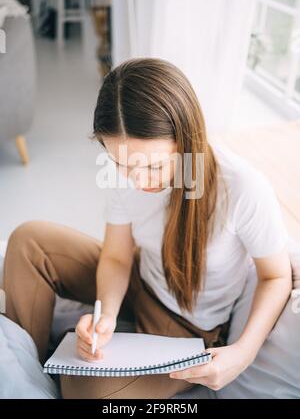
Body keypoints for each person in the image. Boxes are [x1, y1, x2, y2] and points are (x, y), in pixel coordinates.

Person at [3, 58, 292, 399]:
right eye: (121, 164)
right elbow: (116, 257)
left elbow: (276, 276)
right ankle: (25, 375)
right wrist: (105, 315)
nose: (138, 180)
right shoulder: (126, 173)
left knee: (84, 387)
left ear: (187, 140)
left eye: (153, 166)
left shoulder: (242, 188)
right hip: (141, 282)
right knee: (28, 241)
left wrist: (242, 354)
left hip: (187, 328)